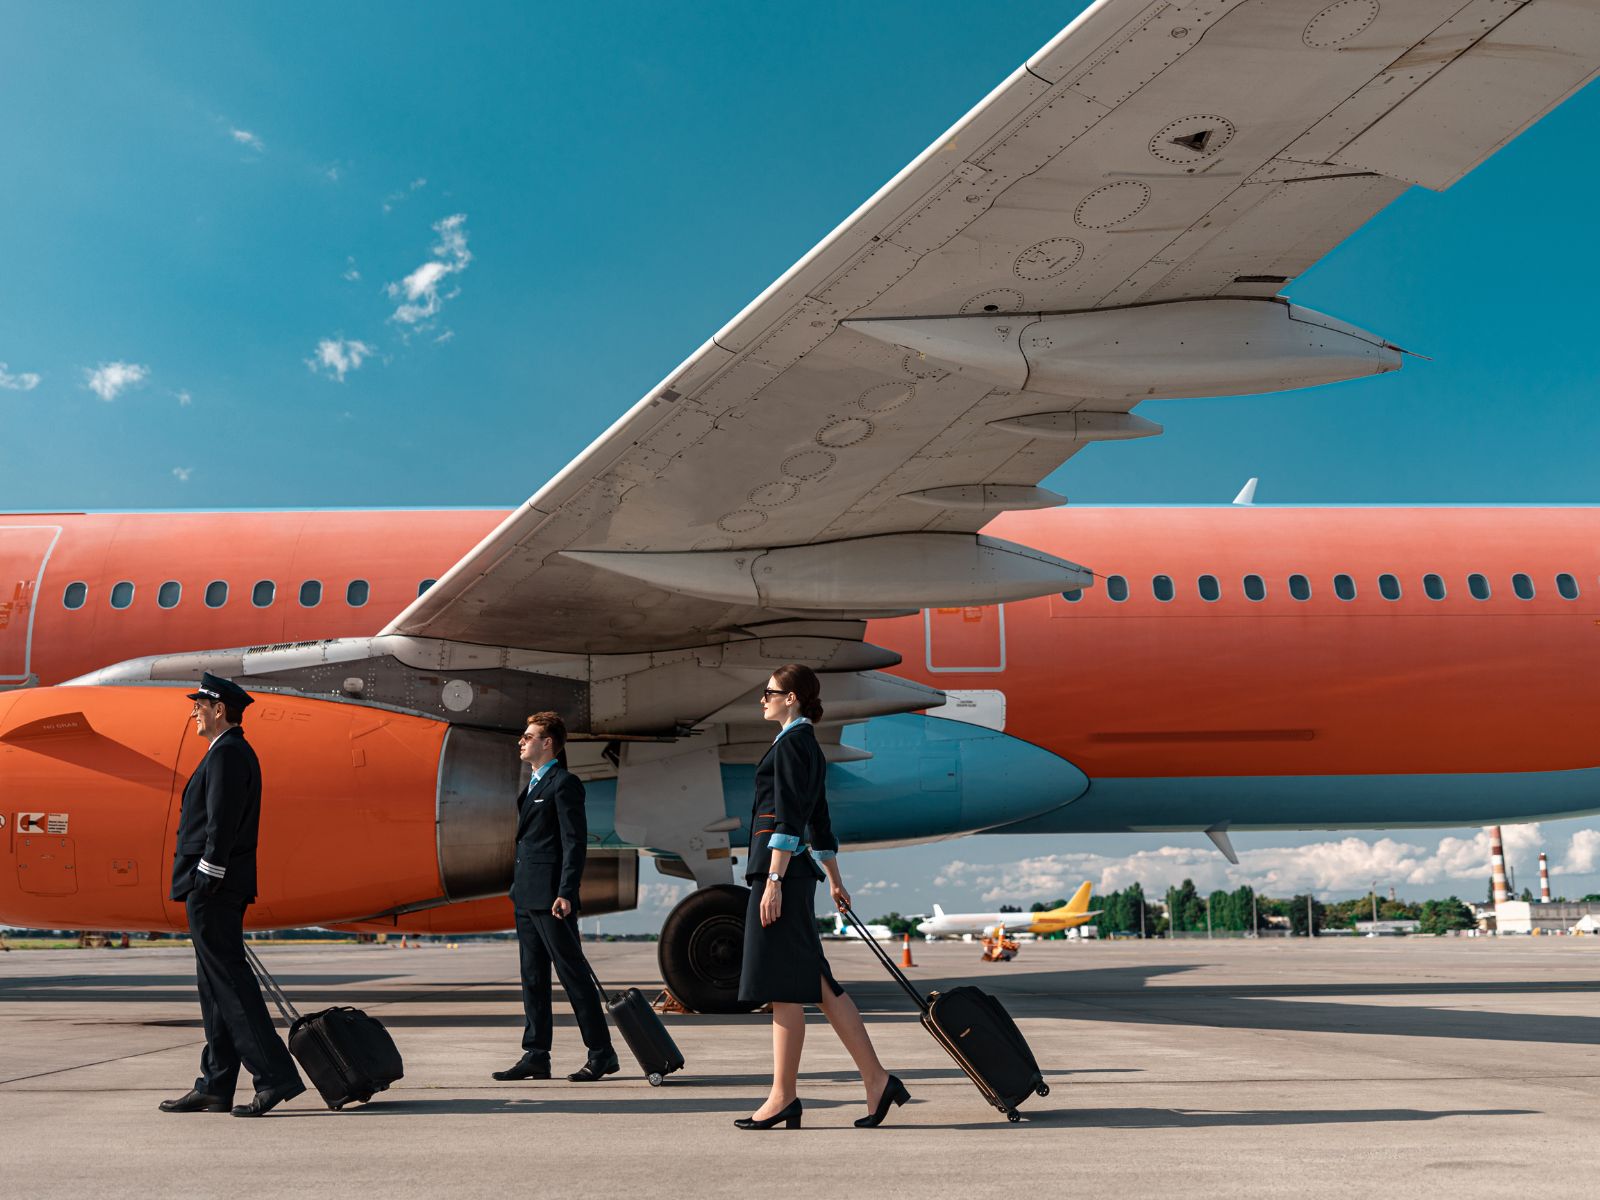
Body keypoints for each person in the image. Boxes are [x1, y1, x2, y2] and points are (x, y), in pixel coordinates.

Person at [735, 663, 909, 1130]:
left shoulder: (793, 745)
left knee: (782, 987)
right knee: (816, 984)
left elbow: (791, 818)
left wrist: (773, 881)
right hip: (796, 874)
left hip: (781, 877)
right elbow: (821, 822)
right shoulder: (804, 745)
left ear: (791, 698)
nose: (763, 699)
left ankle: (783, 1097)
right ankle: (876, 1081)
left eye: (769, 692)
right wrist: (834, 878)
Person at [159, 673, 305, 1118]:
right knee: (214, 987)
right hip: (212, 883)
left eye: (199, 705)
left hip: (214, 884)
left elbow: (221, 820)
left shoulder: (228, 753)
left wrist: (209, 873)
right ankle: (216, 1084)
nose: (193, 712)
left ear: (218, 708)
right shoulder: (226, 751)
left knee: (231, 986)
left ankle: (275, 1077)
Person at [493, 711, 619, 1083]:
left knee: (573, 976)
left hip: (552, 898)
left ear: (547, 743)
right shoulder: (531, 785)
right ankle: (536, 1054)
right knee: (532, 978)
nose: (522, 741)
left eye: (528, 736)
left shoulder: (564, 784)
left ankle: (601, 1052)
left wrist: (567, 891)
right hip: (527, 896)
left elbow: (573, 842)